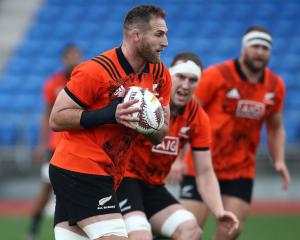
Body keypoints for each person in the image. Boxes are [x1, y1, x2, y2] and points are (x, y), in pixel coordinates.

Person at [48, 5, 171, 240]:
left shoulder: (160, 75)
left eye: (165, 34)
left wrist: (145, 123)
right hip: (79, 168)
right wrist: (109, 114)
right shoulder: (95, 70)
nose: (165, 42)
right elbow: (57, 118)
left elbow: (161, 133)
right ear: (136, 35)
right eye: (159, 34)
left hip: (110, 173)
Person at [178, 26, 291, 240]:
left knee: (232, 230)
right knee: (189, 231)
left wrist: (279, 160)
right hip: (202, 165)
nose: (260, 51)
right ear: (244, 48)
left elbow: (275, 127)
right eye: (255, 46)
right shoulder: (217, 75)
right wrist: (177, 157)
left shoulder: (276, 86)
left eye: (265, 48)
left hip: (241, 169)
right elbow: (186, 113)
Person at [116, 52, 239, 240]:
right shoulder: (147, 101)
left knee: (191, 231)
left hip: (153, 186)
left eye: (193, 80)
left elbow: (205, 172)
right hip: (123, 181)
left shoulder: (197, 117)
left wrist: (219, 211)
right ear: (169, 76)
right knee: (141, 235)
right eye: (181, 77)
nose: (186, 85)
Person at [26, 44, 82, 240]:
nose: (73, 59)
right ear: (63, 58)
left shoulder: (84, 81)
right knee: (46, 187)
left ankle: (73, 231)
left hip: (77, 145)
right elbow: (46, 114)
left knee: (76, 190)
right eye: (70, 56)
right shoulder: (54, 83)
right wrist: (42, 143)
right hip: (55, 146)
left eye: (76, 55)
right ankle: (33, 228)